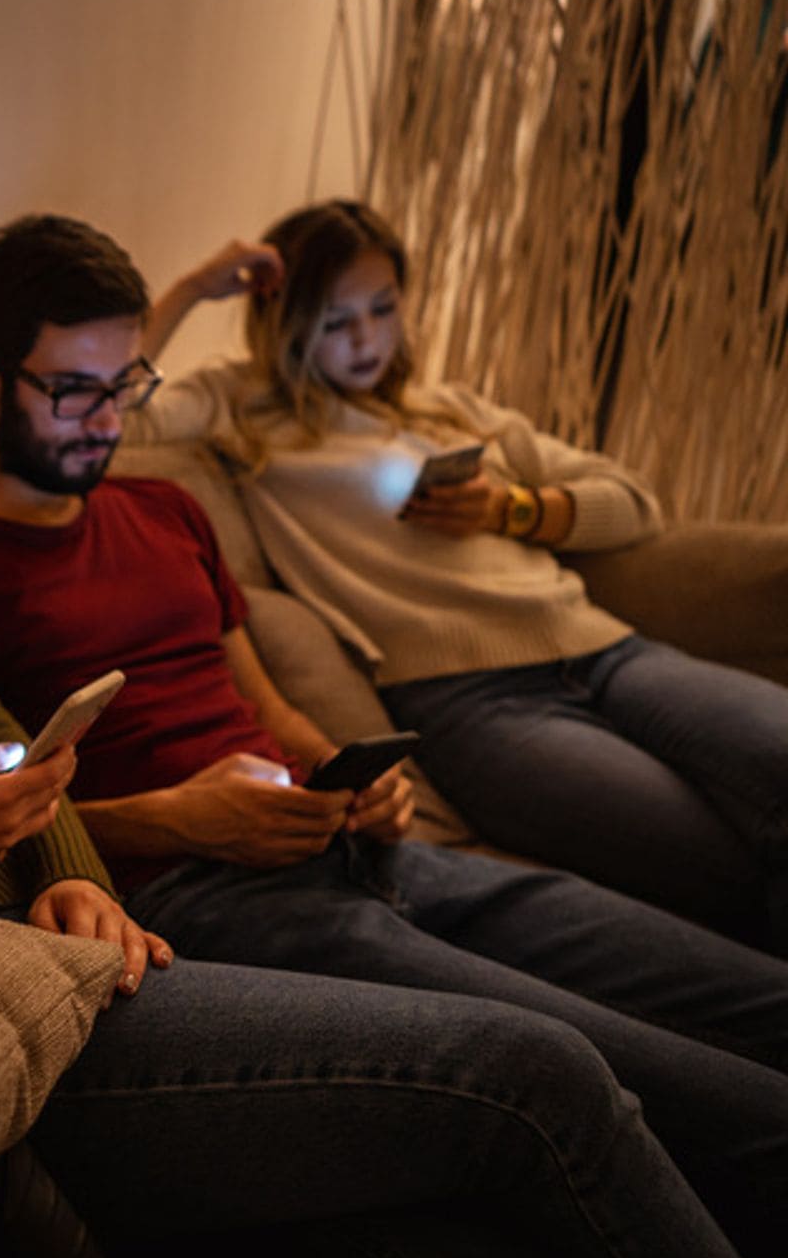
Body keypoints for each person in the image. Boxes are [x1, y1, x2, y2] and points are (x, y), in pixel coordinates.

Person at [0, 260, 781, 1258]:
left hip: (83, 950)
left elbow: (7, 733)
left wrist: (83, 883)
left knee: (454, 1243)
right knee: (536, 1071)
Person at [133, 198, 787, 947]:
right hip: (481, 705)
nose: (368, 338)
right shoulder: (241, 407)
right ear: (286, 321)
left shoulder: (448, 409)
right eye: (338, 320)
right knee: (718, 861)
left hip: (608, 652)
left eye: (383, 308)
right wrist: (191, 287)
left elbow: (635, 502)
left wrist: (511, 508)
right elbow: (116, 416)